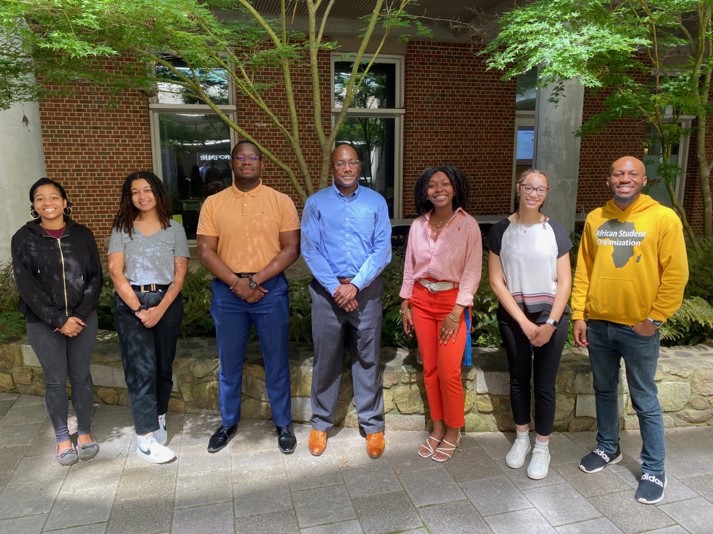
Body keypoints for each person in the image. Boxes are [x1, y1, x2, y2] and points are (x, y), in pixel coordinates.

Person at [572, 156, 688, 504]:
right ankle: (608, 448)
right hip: (599, 325)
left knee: (644, 400)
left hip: (639, 330)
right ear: (609, 180)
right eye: (618, 174)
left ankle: (654, 469)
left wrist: (653, 319)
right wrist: (579, 314)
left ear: (643, 180)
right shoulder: (596, 218)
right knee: (604, 391)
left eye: (632, 174)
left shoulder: (663, 218)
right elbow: (583, 270)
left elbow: (676, 274)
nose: (624, 179)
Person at [197, 140, 300, 454]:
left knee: (277, 362)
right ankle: (228, 422)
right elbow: (204, 251)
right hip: (228, 293)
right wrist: (236, 282)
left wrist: (254, 281)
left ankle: (283, 424)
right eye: (240, 157)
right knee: (229, 364)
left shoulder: (280, 201)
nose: (246, 162)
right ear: (231, 164)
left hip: (269, 290)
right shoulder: (213, 203)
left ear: (261, 164)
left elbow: (291, 249)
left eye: (253, 157)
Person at [301, 144, 392, 459]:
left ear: (359, 165)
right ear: (332, 167)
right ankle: (321, 424)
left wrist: (354, 285)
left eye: (353, 162)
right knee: (325, 360)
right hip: (327, 293)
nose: (347, 167)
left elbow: (382, 249)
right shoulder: (316, 203)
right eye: (341, 163)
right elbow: (310, 249)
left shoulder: (376, 202)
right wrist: (336, 288)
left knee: (367, 359)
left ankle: (372, 425)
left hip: (365, 292)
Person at [486, 169, 572, 480]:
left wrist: (549, 322)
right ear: (518, 188)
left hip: (551, 318)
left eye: (540, 189)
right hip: (514, 318)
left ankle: (542, 447)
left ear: (546, 193)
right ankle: (522, 439)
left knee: (545, 384)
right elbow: (497, 282)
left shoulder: (556, 232)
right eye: (528, 187)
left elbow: (565, 283)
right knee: (519, 380)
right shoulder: (500, 231)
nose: (533, 193)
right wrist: (522, 321)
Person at [11, 178, 102, 466]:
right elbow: (27, 286)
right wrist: (58, 319)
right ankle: (63, 437)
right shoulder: (24, 238)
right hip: (43, 323)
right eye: (40, 198)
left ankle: (85, 433)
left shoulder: (82, 235)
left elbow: (95, 277)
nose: (47, 202)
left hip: (83, 319)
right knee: (54, 381)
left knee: (81, 378)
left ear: (65, 202)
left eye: (53, 197)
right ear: (34, 205)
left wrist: (78, 315)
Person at [399, 166, 482, 462]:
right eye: (432, 185)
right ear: (425, 191)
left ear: (455, 188)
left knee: (449, 371)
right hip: (421, 299)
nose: (438, 189)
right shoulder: (417, 226)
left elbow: (473, 271)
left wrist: (457, 310)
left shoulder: (468, 225)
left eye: (444, 183)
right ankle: (436, 427)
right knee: (430, 370)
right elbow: (409, 266)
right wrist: (406, 302)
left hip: (452, 302)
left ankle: (453, 429)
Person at [108, 171, 189, 464]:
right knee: (140, 369)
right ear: (128, 197)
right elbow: (116, 271)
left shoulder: (174, 229)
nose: (142, 196)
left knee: (163, 366)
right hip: (132, 304)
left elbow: (180, 274)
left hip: (166, 301)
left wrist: (161, 308)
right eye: (135, 192)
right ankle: (144, 438)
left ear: (158, 192)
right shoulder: (122, 228)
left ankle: (158, 416)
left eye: (147, 190)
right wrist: (140, 310)